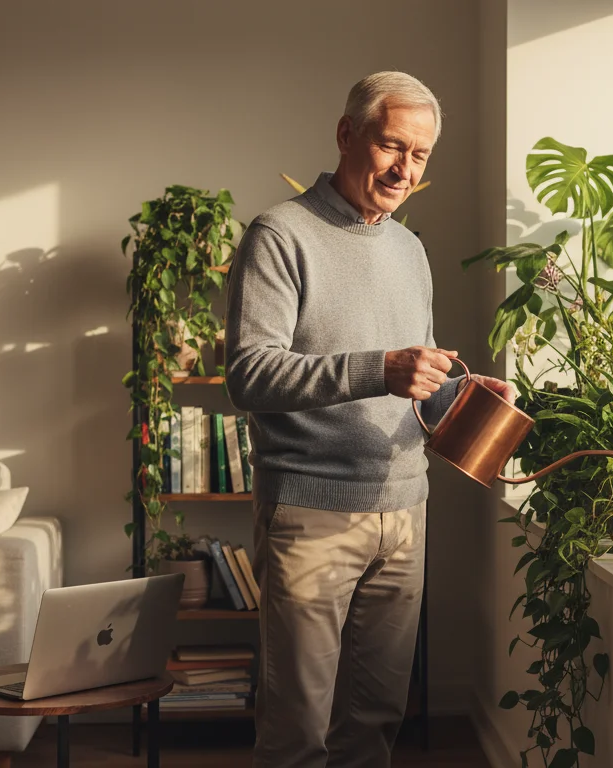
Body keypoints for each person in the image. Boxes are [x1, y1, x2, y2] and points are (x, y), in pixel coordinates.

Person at [224, 71, 515, 768]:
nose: (405, 169)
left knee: (376, 725)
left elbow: (413, 387)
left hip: (404, 515)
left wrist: (464, 395)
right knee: (298, 732)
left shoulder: (409, 249)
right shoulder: (279, 234)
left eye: (419, 157)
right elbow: (248, 374)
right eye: (392, 146)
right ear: (347, 134)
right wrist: (377, 368)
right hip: (310, 514)